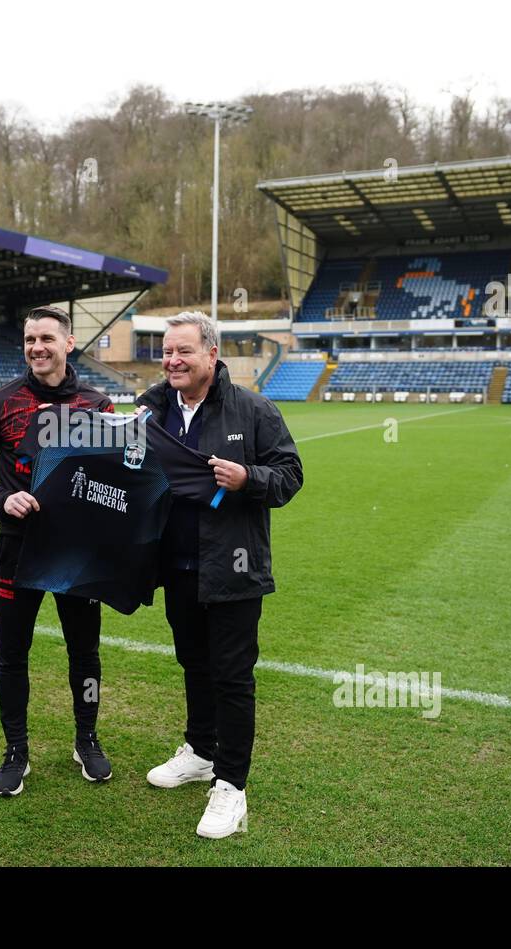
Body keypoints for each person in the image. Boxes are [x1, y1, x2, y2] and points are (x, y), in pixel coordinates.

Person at [135, 311, 303, 838]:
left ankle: (231, 786)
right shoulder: (153, 410)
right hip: (177, 568)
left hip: (233, 569)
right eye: (166, 351)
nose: (172, 360)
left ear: (212, 354)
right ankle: (201, 751)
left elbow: (290, 475)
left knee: (232, 677)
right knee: (193, 663)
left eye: (183, 351)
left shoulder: (252, 408)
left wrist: (247, 477)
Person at [0, 305, 115, 796]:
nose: (37, 347)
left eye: (47, 338)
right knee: (12, 655)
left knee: (84, 653)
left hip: (77, 553)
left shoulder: (98, 404)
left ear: (69, 343)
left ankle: (86, 739)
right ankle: (15, 750)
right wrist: (4, 497)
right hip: (19, 549)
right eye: (29, 339)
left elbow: (118, 473)